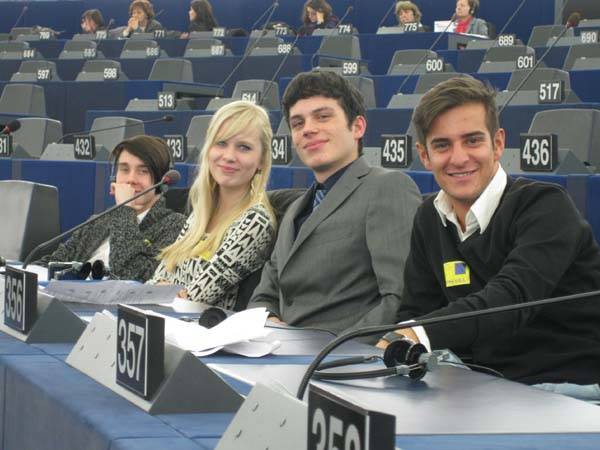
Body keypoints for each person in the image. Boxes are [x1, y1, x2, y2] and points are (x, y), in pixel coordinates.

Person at [377, 76, 600, 400]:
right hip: (475, 387)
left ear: (497, 144)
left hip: (566, 391)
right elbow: (416, 309)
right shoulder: (428, 217)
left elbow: (512, 298)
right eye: (442, 145)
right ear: (424, 156)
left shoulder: (546, 206)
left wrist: (418, 331)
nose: (459, 157)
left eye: (472, 141)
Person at [248, 71, 421, 340]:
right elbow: (264, 295)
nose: (308, 129)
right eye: (297, 123)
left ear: (358, 127)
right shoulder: (295, 209)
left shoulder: (387, 187)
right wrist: (272, 325)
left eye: (323, 117)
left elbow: (399, 297)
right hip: (281, 357)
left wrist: (333, 353)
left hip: (340, 364)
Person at [149, 101, 276, 309]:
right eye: (221, 143)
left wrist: (167, 289)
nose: (228, 156)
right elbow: (152, 285)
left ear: (261, 160)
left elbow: (192, 299)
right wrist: (163, 289)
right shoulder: (200, 215)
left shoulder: (256, 222)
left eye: (243, 147)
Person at [35, 135, 186, 282]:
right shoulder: (100, 220)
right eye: (124, 170)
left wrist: (126, 209)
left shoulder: (175, 225)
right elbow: (52, 263)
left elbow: (129, 275)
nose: (131, 179)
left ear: (162, 180)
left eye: (143, 171)